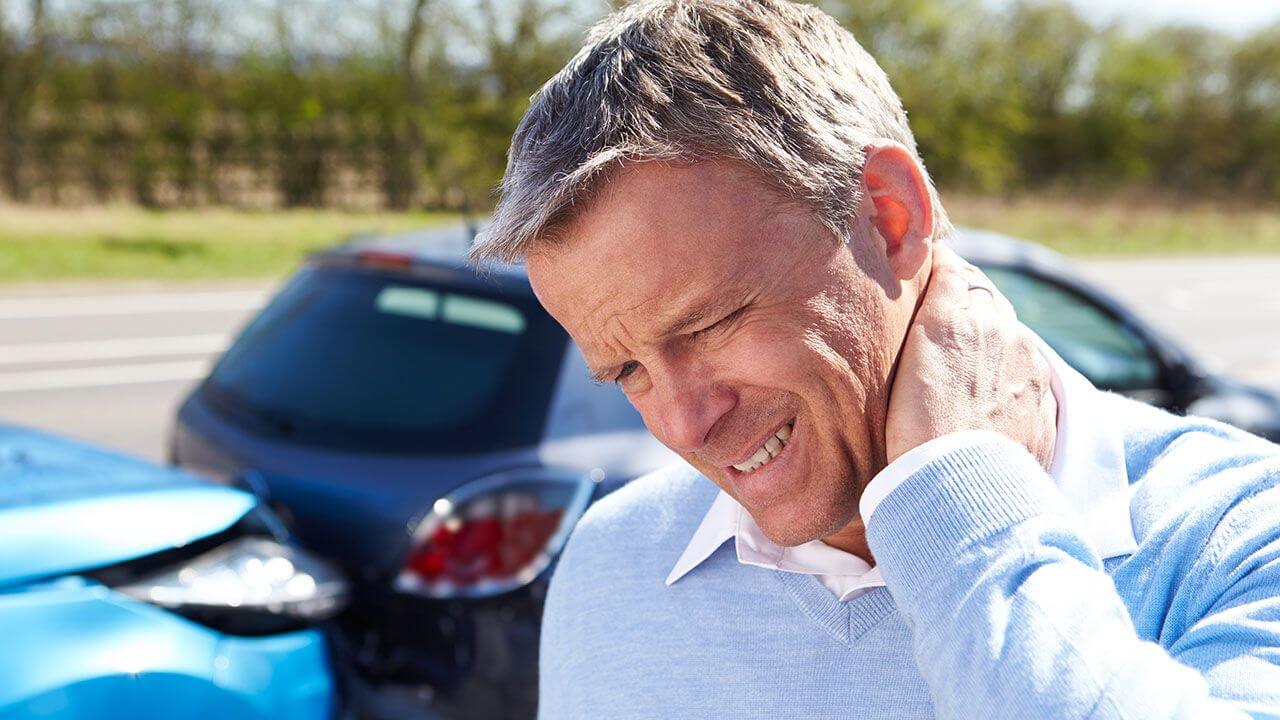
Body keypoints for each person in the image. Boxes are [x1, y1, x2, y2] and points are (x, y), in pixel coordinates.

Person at [469, 1, 1280, 717]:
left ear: (891, 217)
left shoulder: (1243, 537)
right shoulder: (613, 562)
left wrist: (959, 507)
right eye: (628, 373)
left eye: (709, 324)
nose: (682, 425)